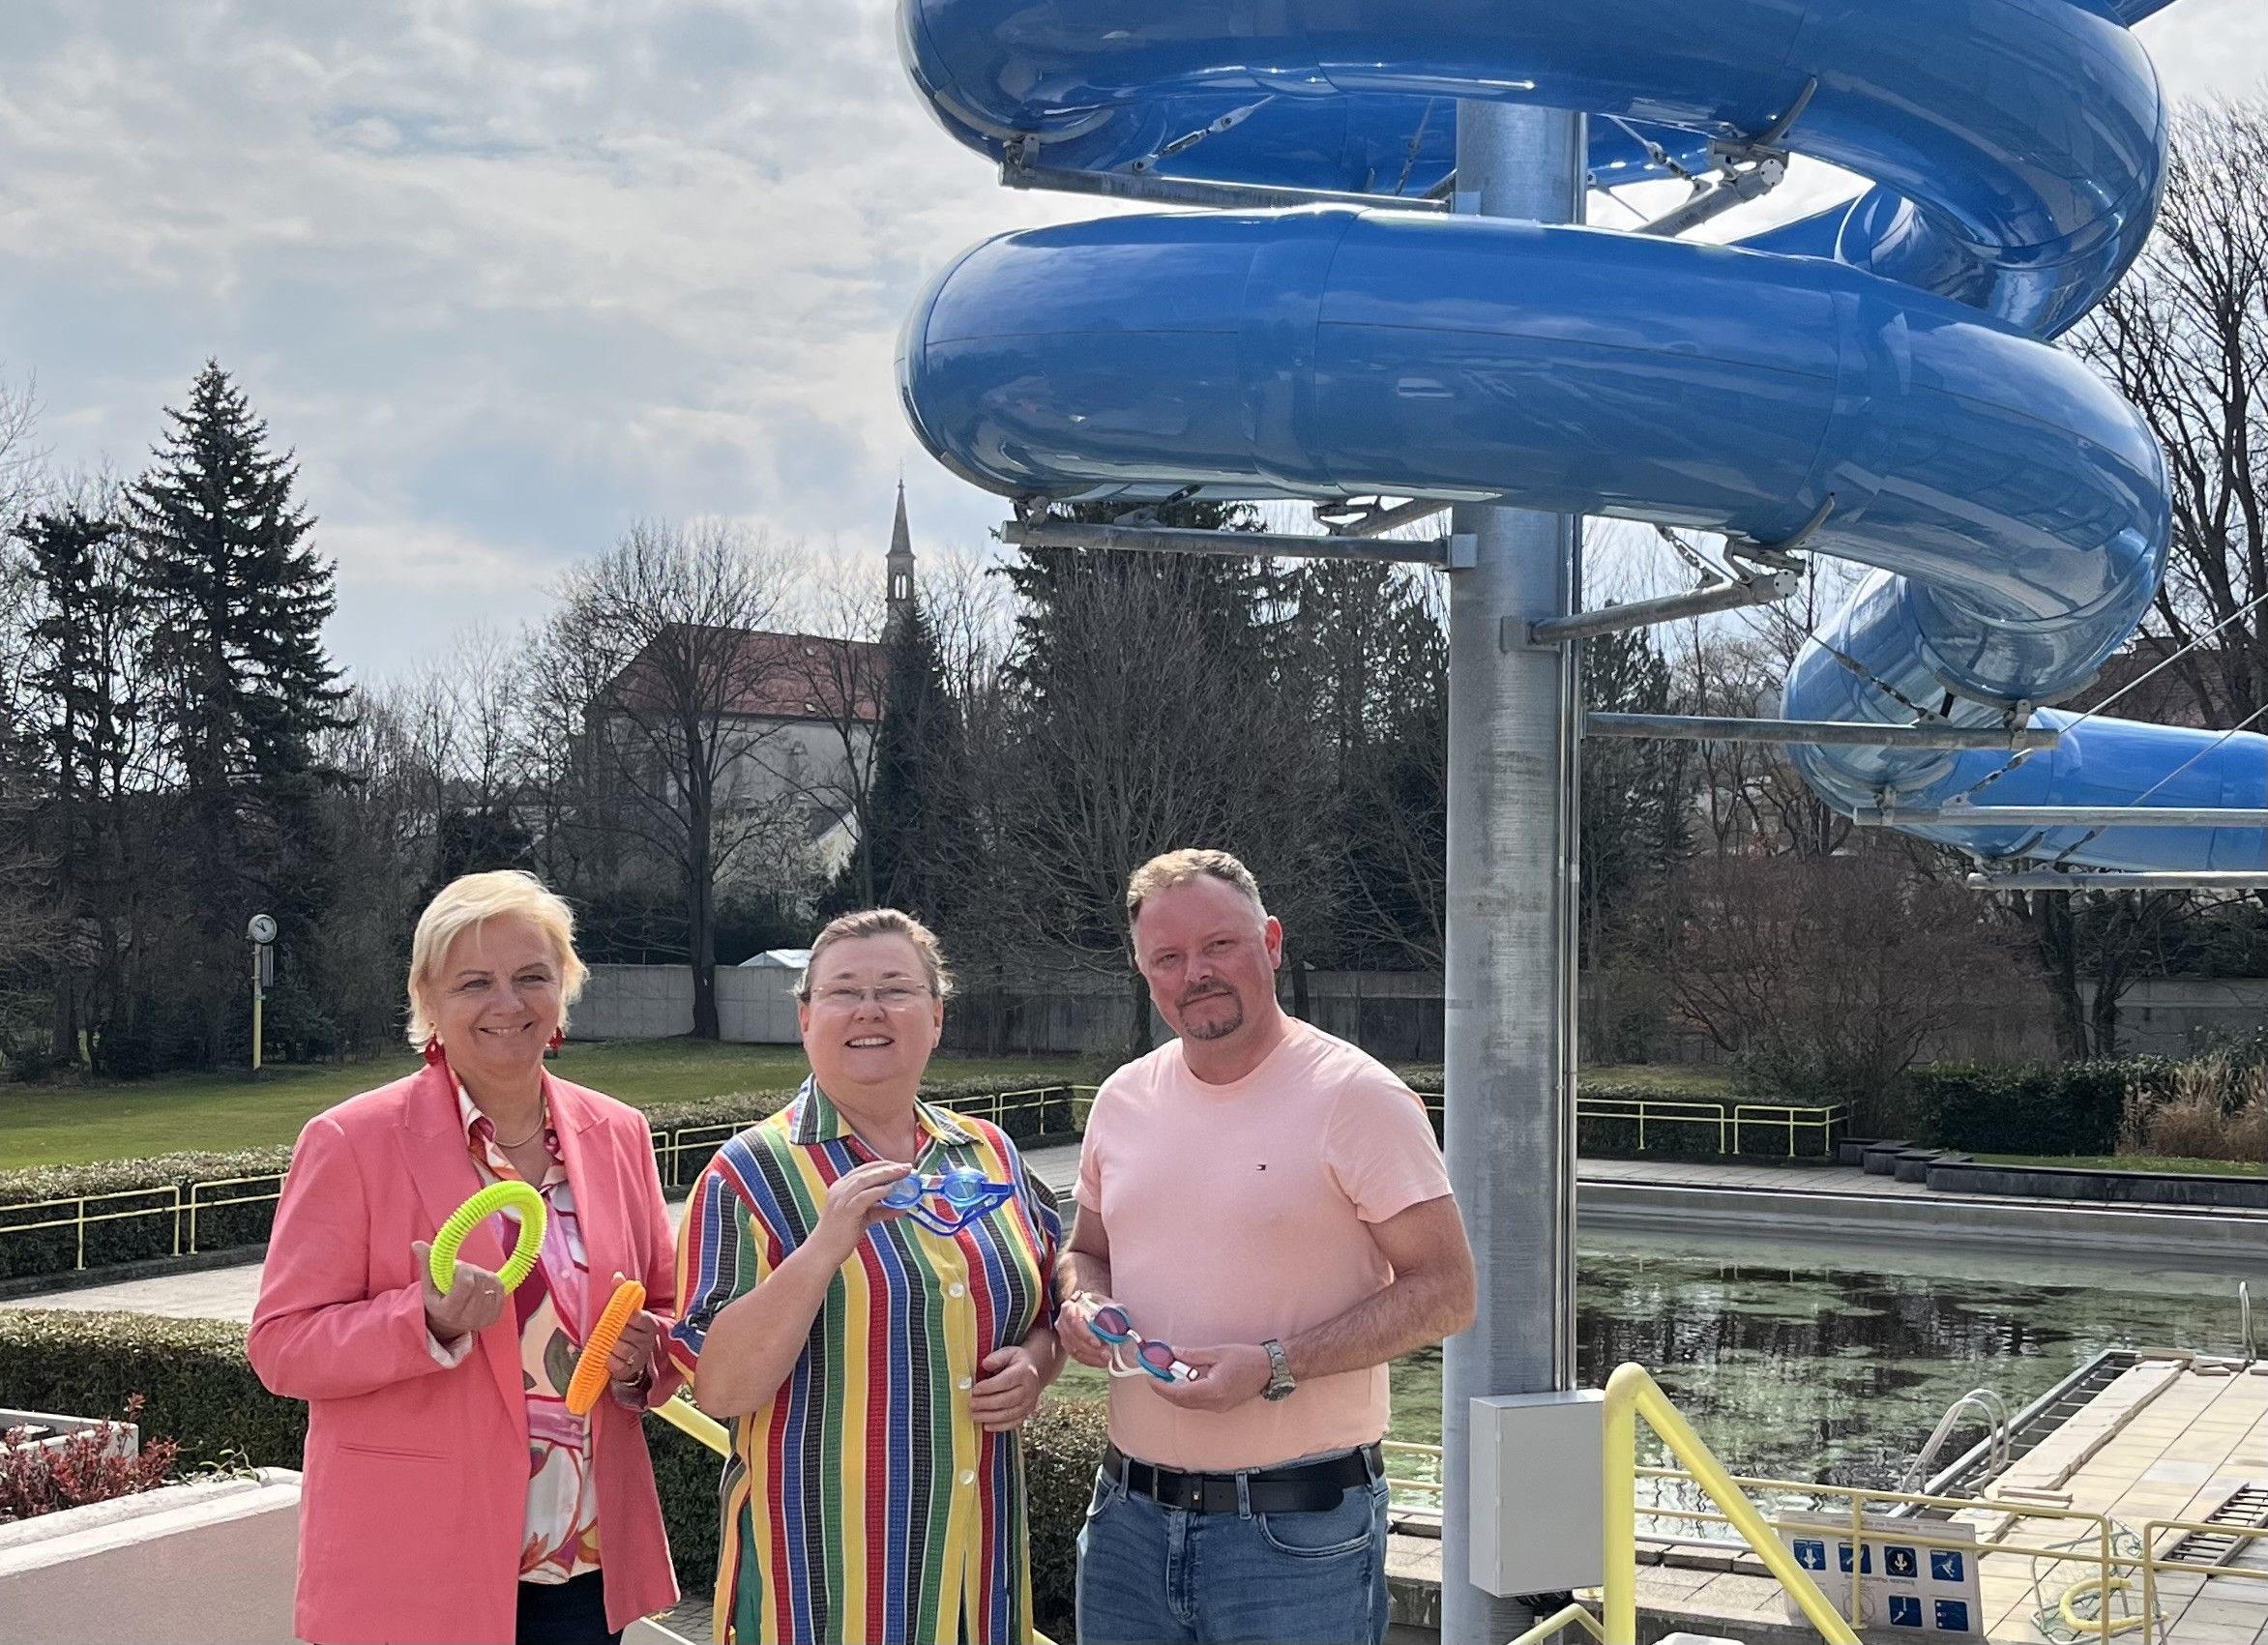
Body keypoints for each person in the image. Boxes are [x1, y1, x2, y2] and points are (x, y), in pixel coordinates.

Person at [249, 870, 682, 1645]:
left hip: (580, 1565)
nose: (506, 1003)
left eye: (530, 977)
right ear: (429, 1000)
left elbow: (664, 1308)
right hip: (414, 1565)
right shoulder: (350, 1141)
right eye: (474, 982)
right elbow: (281, 1346)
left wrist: (640, 1361)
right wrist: (425, 1319)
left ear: (563, 990)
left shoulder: (619, 1132)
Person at [1060, 848, 1477, 1645]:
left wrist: (1275, 1364)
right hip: (1125, 1524)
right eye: (1169, 958)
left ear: (1272, 942)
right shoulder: (1122, 1099)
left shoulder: (1356, 1097)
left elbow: (1448, 1290)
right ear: (1145, 972)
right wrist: (1082, 1300)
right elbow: (1085, 1253)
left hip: (1296, 1534)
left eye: (1219, 945)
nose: (1196, 974)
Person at [669, 909, 1065, 1645]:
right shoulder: (748, 1173)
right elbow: (718, 1387)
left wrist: (1036, 1364)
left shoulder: (989, 1153)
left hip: (977, 1580)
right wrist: (823, 1247)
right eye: (843, 991)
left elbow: (1049, 1307)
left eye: (896, 989)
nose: (869, 1010)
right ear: (805, 1016)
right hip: (821, 1589)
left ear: (937, 1016)